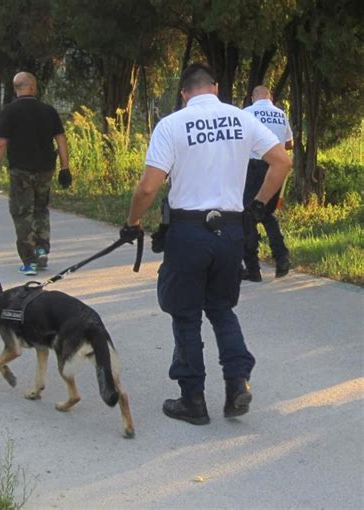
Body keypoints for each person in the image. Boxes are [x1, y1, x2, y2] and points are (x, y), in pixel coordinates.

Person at [119, 63, 291, 425]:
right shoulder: (240, 119)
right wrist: (256, 207)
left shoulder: (172, 125)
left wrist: (132, 223)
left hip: (188, 232)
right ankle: (237, 382)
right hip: (230, 231)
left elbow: (149, 186)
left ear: (184, 93)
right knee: (221, 308)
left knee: (185, 313)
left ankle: (192, 401)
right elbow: (282, 161)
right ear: (215, 87)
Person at [0, 71, 72, 276]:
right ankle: (42, 249)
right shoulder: (48, 111)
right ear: (33, 87)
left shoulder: (9, 111)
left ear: (16, 88)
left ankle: (29, 260)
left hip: (21, 172)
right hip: (45, 170)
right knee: (41, 209)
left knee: (22, 213)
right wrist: (65, 168)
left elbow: (0, 143)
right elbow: (61, 140)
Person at [242, 85, 293, 281]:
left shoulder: (247, 113)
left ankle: (253, 269)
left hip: (254, 168)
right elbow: (289, 144)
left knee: (247, 216)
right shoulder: (281, 114)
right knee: (267, 214)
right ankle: (282, 258)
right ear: (270, 96)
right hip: (276, 169)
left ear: (253, 96)